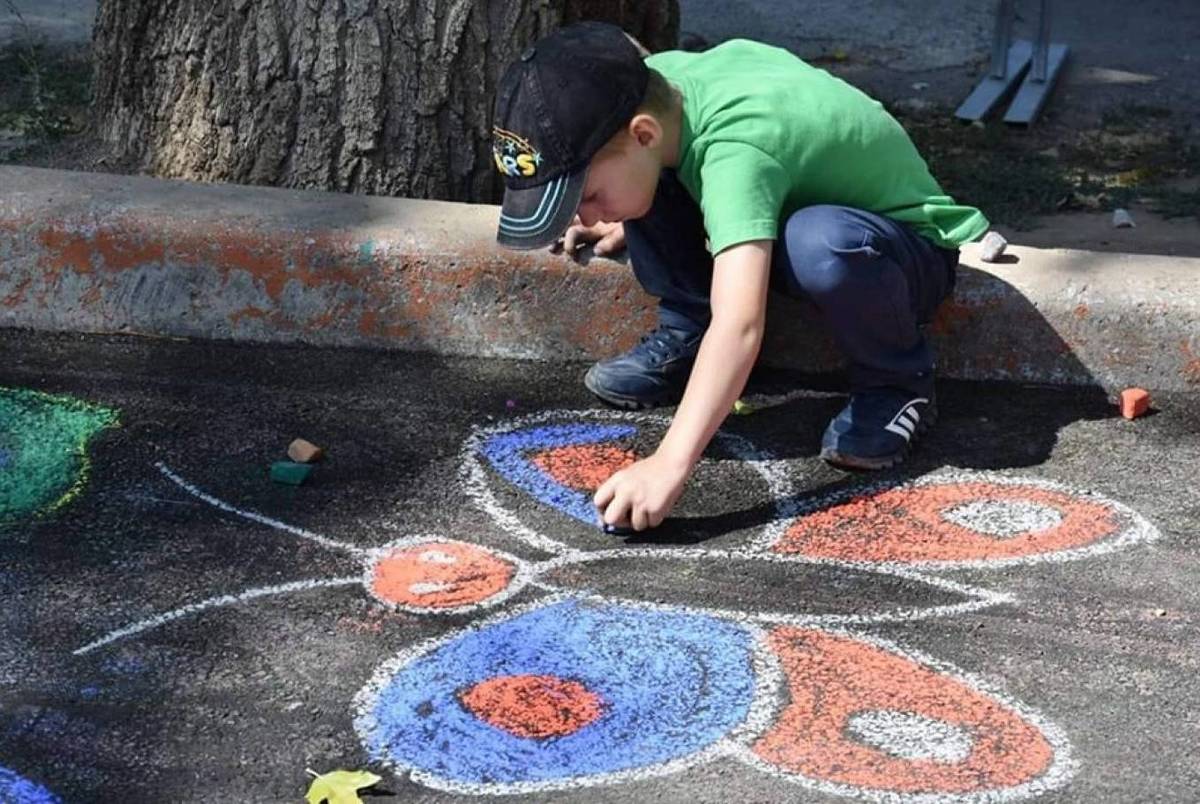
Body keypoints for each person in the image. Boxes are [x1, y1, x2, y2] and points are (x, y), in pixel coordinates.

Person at [490, 22, 989, 533]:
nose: (588, 216)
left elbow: (741, 325)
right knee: (651, 183)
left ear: (642, 133)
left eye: (588, 196)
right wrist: (618, 206)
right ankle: (689, 327)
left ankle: (897, 383)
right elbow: (647, 161)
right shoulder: (654, 91)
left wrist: (668, 463)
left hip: (899, 255)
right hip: (790, 200)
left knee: (820, 244)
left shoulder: (737, 151)